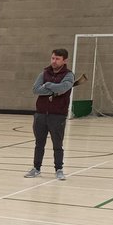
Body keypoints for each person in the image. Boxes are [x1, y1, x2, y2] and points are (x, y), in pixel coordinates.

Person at [24, 48, 74, 181]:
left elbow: (64, 88)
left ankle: (59, 169)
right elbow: (36, 89)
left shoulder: (69, 75)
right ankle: (36, 168)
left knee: (57, 144)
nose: (54, 61)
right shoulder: (44, 73)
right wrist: (54, 90)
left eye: (57, 59)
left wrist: (48, 85)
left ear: (65, 60)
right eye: (53, 58)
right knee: (39, 143)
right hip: (40, 114)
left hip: (58, 116)